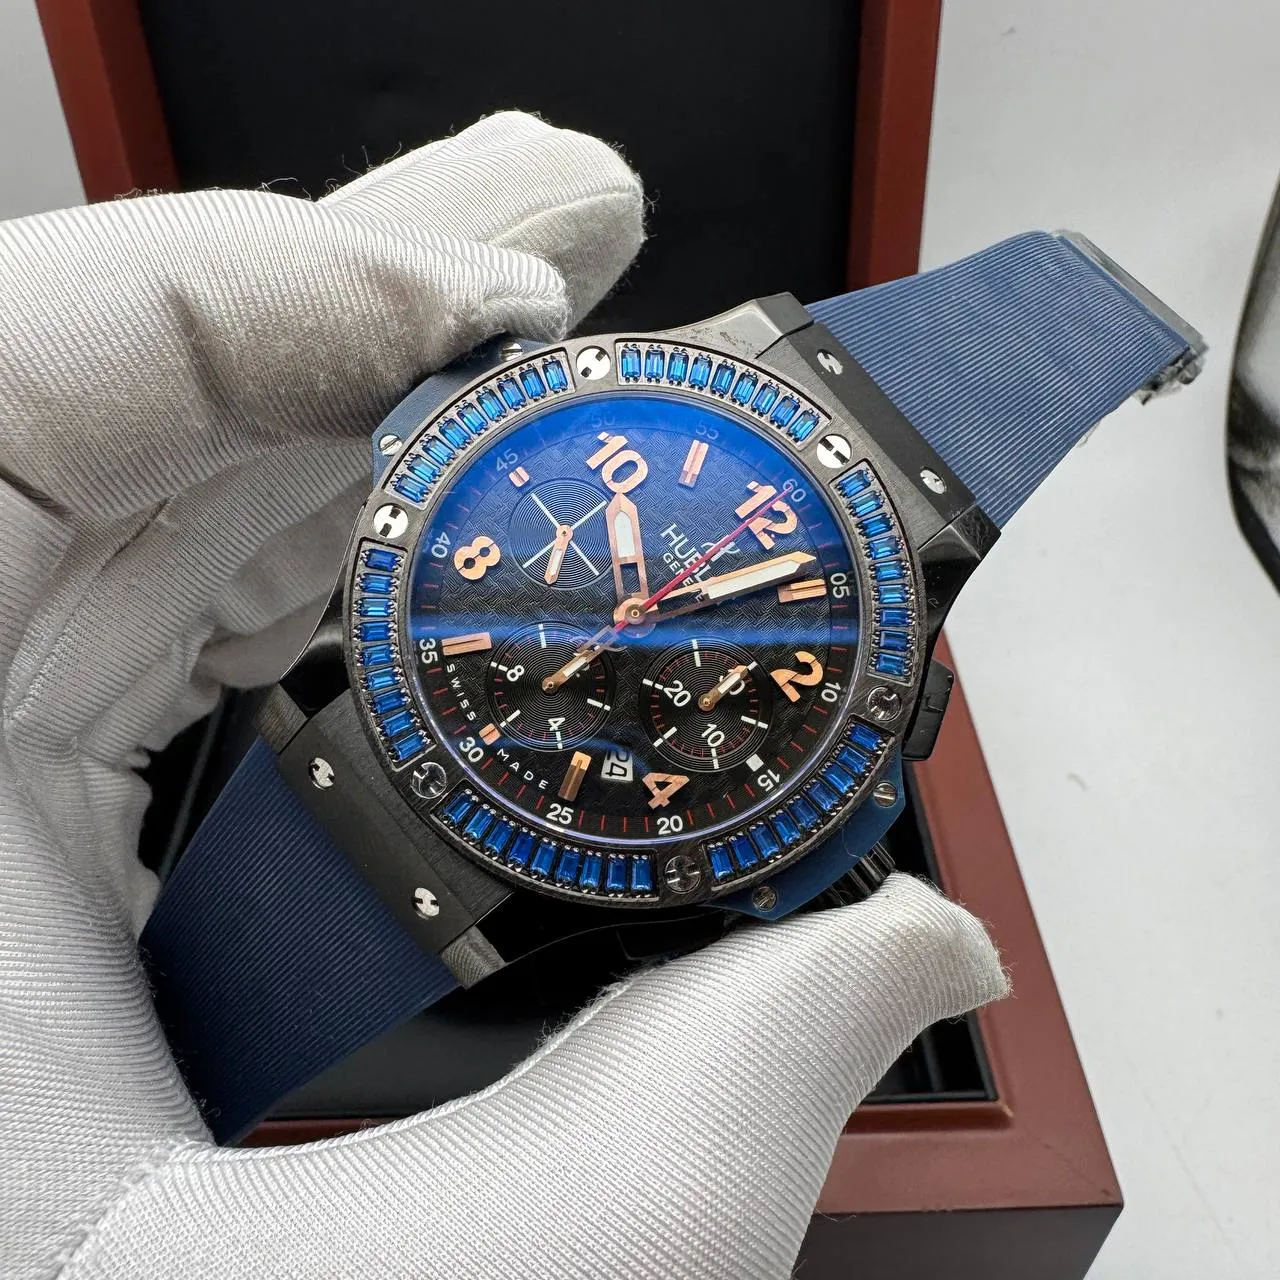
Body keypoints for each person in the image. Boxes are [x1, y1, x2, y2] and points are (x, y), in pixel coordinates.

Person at [0, 112, 1006, 1278]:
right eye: (629, 584)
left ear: (884, 721)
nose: (633, 614)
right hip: (406, 740)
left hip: (494, 786)